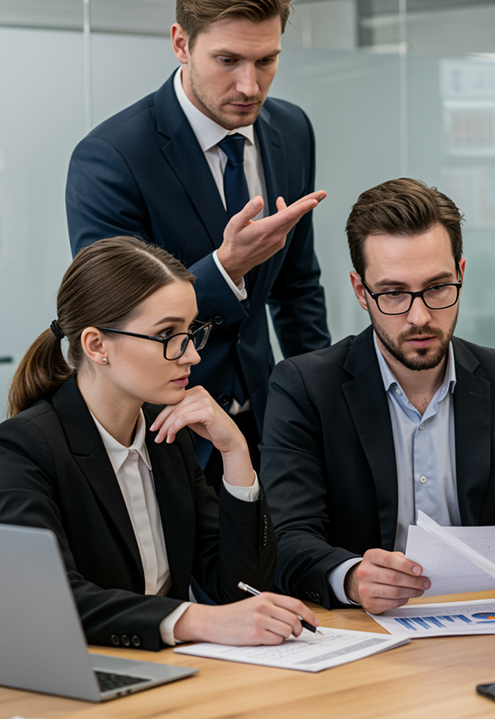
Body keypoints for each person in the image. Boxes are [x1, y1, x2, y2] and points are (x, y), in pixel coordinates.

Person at [261, 178, 495, 614]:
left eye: (437, 288)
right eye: (394, 293)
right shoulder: (304, 386)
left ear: (460, 273)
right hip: (362, 633)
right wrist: (351, 577)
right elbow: (286, 539)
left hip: (484, 621)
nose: (420, 317)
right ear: (361, 291)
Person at [65, 0, 330, 486]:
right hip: (161, 433)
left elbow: (298, 285)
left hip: (265, 426)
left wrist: (323, 404)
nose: (249, 86)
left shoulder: (292, 132)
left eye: (267, 60)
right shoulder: (112, 157)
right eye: (228, 60)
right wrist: (225, 269)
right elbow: (116, 322)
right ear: (181, 43)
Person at [0, 236, 319, 651]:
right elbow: (52, 600)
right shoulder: (23, 449)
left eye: (190, 331)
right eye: (168, 334)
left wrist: (235, 453)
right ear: (97, 345)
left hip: (169, 675)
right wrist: (199, 620)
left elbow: (241, 591)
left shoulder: (166, 435)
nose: (192, 356)